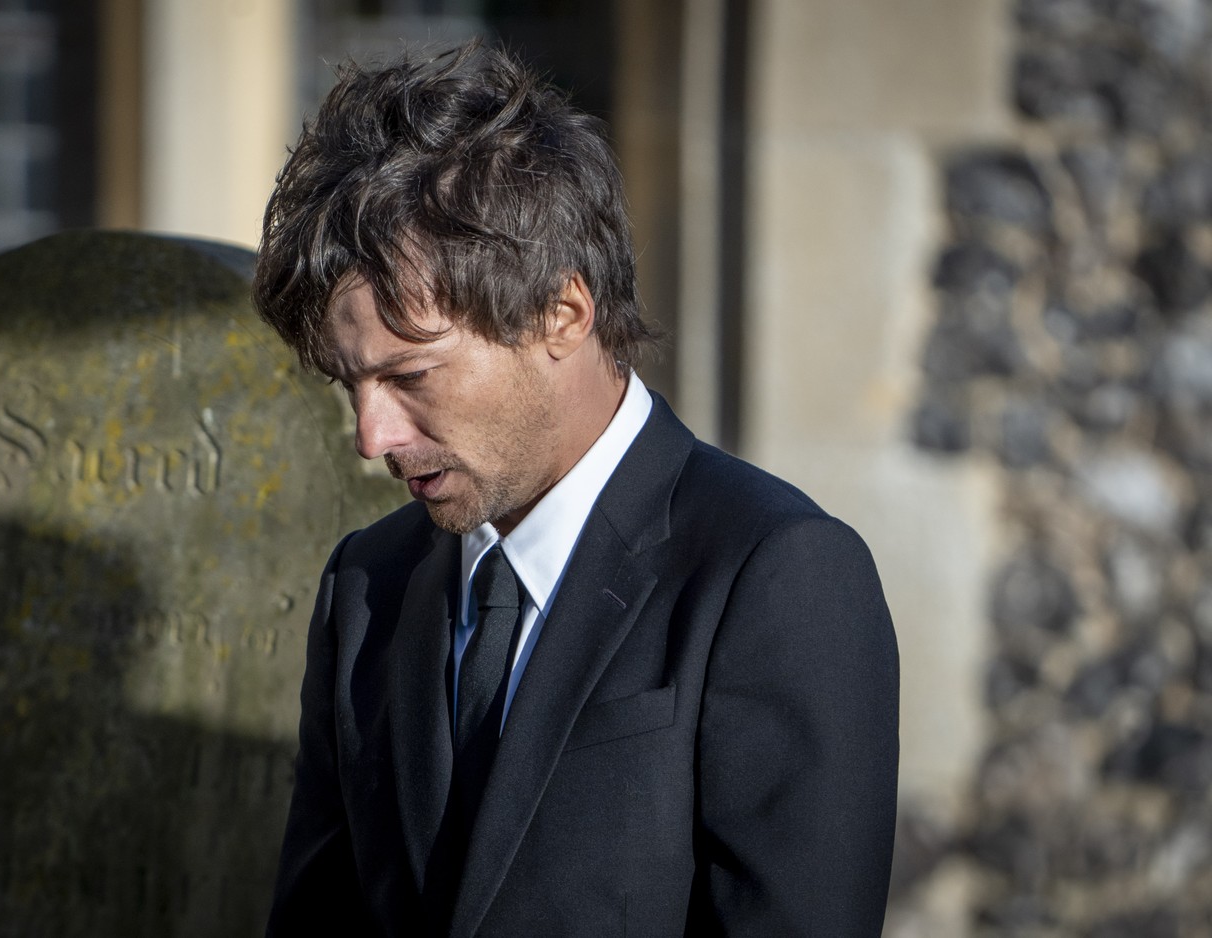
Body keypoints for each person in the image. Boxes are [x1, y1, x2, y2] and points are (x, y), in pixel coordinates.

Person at [253, 40, 899, 937]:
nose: (372, 437)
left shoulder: (777, 576)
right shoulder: (367, 586)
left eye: (411, 376)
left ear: (562, 314)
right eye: (349, 385)